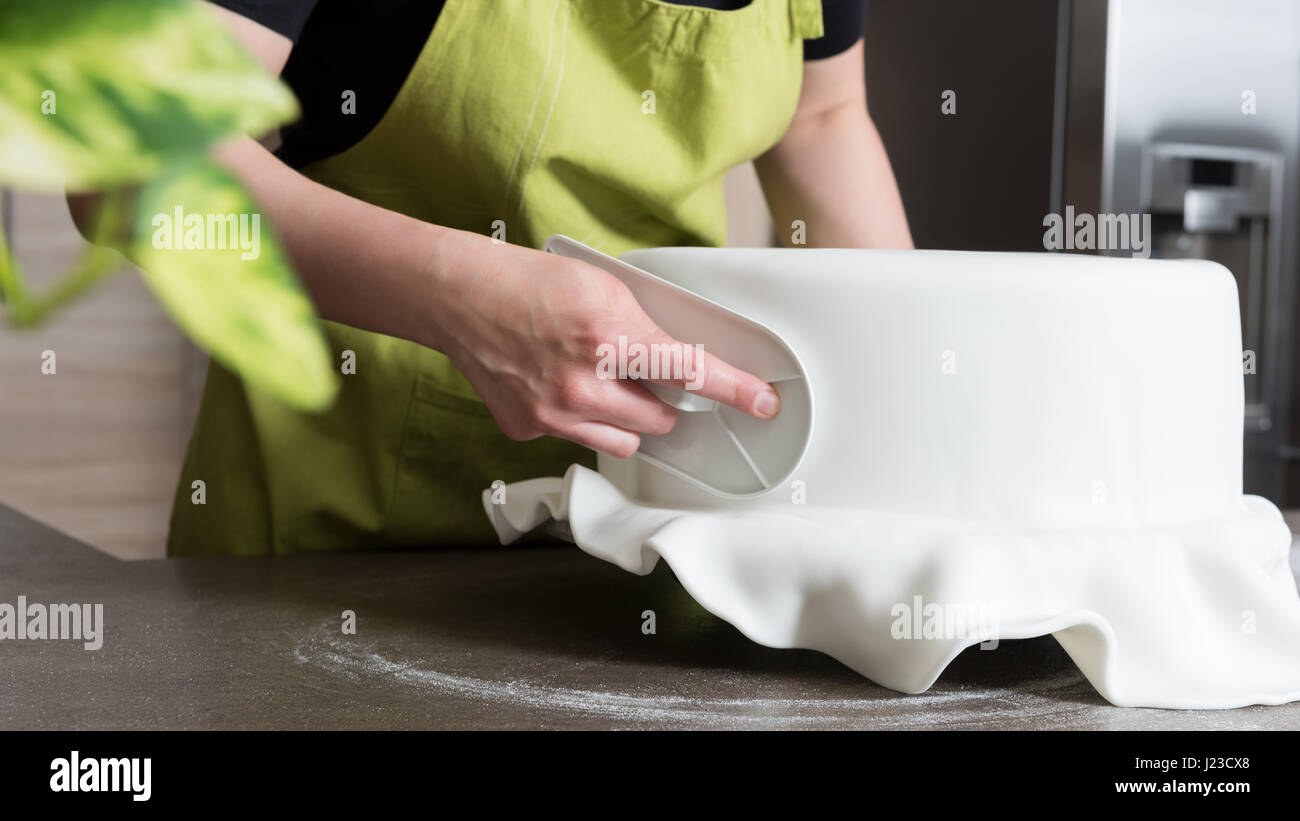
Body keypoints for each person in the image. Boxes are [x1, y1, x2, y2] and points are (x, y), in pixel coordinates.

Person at [165, 0, 912, 555]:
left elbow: (825, 113)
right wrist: (463, 299)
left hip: (654, 555)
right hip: (333, 554)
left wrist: (914, 400)